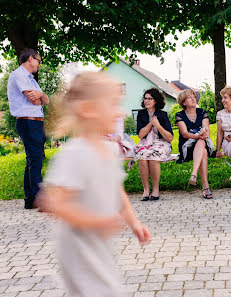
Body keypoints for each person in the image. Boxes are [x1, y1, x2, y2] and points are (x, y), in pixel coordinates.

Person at [37, 71, 151, 297]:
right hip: (77, 246)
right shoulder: (74, 154)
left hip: (98, 243)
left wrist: (134, 222)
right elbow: (52, 203)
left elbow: (117, 192)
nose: (119, 111)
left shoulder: (108, 150)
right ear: (88, 109)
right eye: (112, 104)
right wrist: (96, 222)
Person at [7, 48, 49, 209]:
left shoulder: (31, 79)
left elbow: (45, 100)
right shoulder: (18, 75)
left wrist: (41, 95)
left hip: (36, 122)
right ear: (30, 59)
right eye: (38, 60)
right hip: (28, 122)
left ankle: (30, 199)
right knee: (35, 161)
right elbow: (35, 101)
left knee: (32, 160)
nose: (39, 64)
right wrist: (40, 96)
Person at [175, 89, 214, 199]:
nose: (193, 98)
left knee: (202, 144)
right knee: (204, 151)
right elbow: (185, 133)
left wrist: (204, 133)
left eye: (193, 96)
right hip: (187, 146)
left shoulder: (202, 112)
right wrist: (198, 136)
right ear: (183, 102)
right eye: (189, 97)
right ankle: (206, 187)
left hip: (202, 142)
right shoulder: (180, 115)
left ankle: (194, 174)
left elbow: (207, 129)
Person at [135, 88, 173, 201]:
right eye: (145, 98)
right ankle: (146, 190)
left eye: (150, 99)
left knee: (153, 156)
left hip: (161, 143)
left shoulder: (163, 115)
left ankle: (155, 189)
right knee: (142, 155)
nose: (147, 101)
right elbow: (141, 135)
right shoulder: (141, 114)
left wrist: (158, 125)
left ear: (155, 101)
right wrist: (151, 123)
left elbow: (170, 138)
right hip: (146, 142)